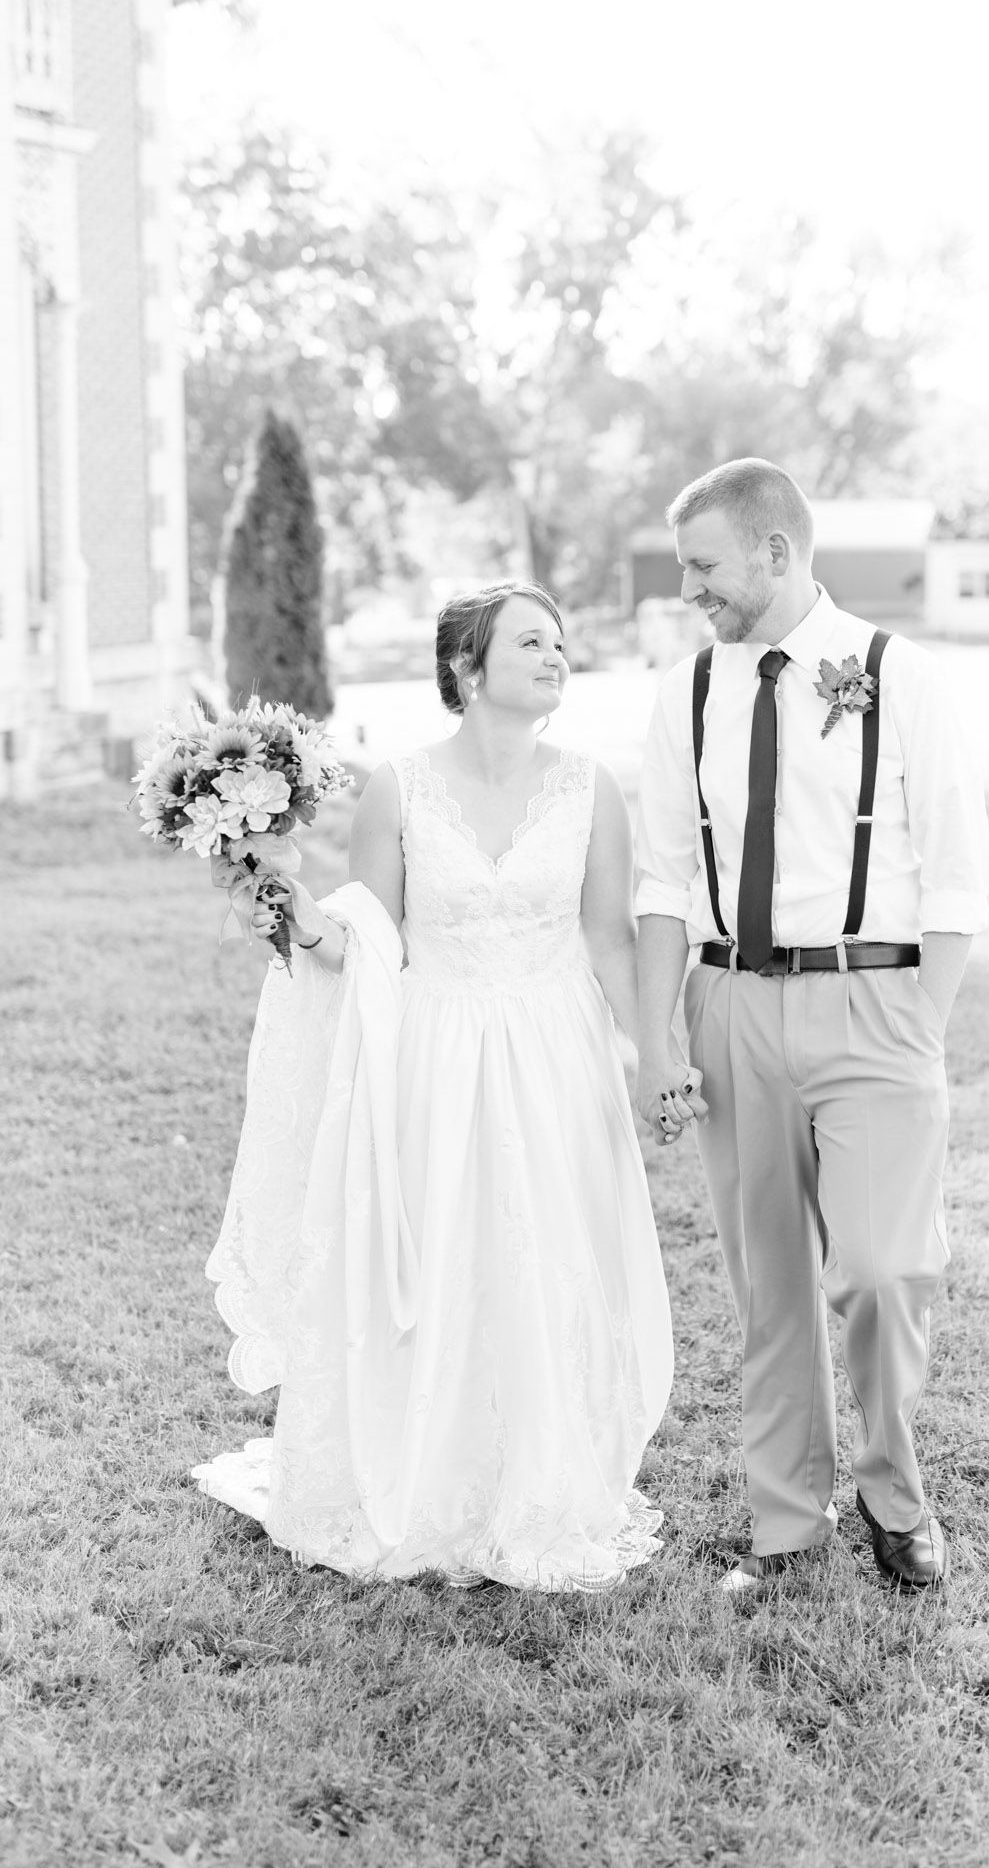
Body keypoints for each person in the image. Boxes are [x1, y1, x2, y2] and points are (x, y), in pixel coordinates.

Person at [192, 583, 677, 1591]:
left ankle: (537, 1481)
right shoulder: (398, 790)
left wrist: (652, 1056)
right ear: (466, 667)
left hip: (554, 1051)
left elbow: (607, 935)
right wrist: (284, 896)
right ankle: (426, 1476)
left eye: (559, 640)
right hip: (435, 1053)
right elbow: (368, 935)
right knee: (447, 1260)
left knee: (545, 1259)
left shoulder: (591, 787)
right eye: (531, 640)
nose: (556, 655)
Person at [634, 461, 989, 1593]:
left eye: (704, 565)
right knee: (766, 1280)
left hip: (874, 1000)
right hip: (729, 1000)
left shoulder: (897, 676)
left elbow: (957, 873)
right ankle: (786, 1519)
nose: (691, 586)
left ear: (775, 552)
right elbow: (661, 876)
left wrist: (914, 1024)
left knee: (886, 1270)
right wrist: (662, 1031)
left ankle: (893, 1488)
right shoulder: (685, 690)